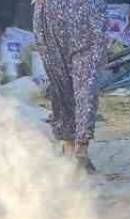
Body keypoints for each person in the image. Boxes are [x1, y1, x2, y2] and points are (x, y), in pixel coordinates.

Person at [34, 0, 107, 172]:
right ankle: (77, 148)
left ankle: (73, 149)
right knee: (82, 81)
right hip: (76, 13)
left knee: (66, 82)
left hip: (54, 13)